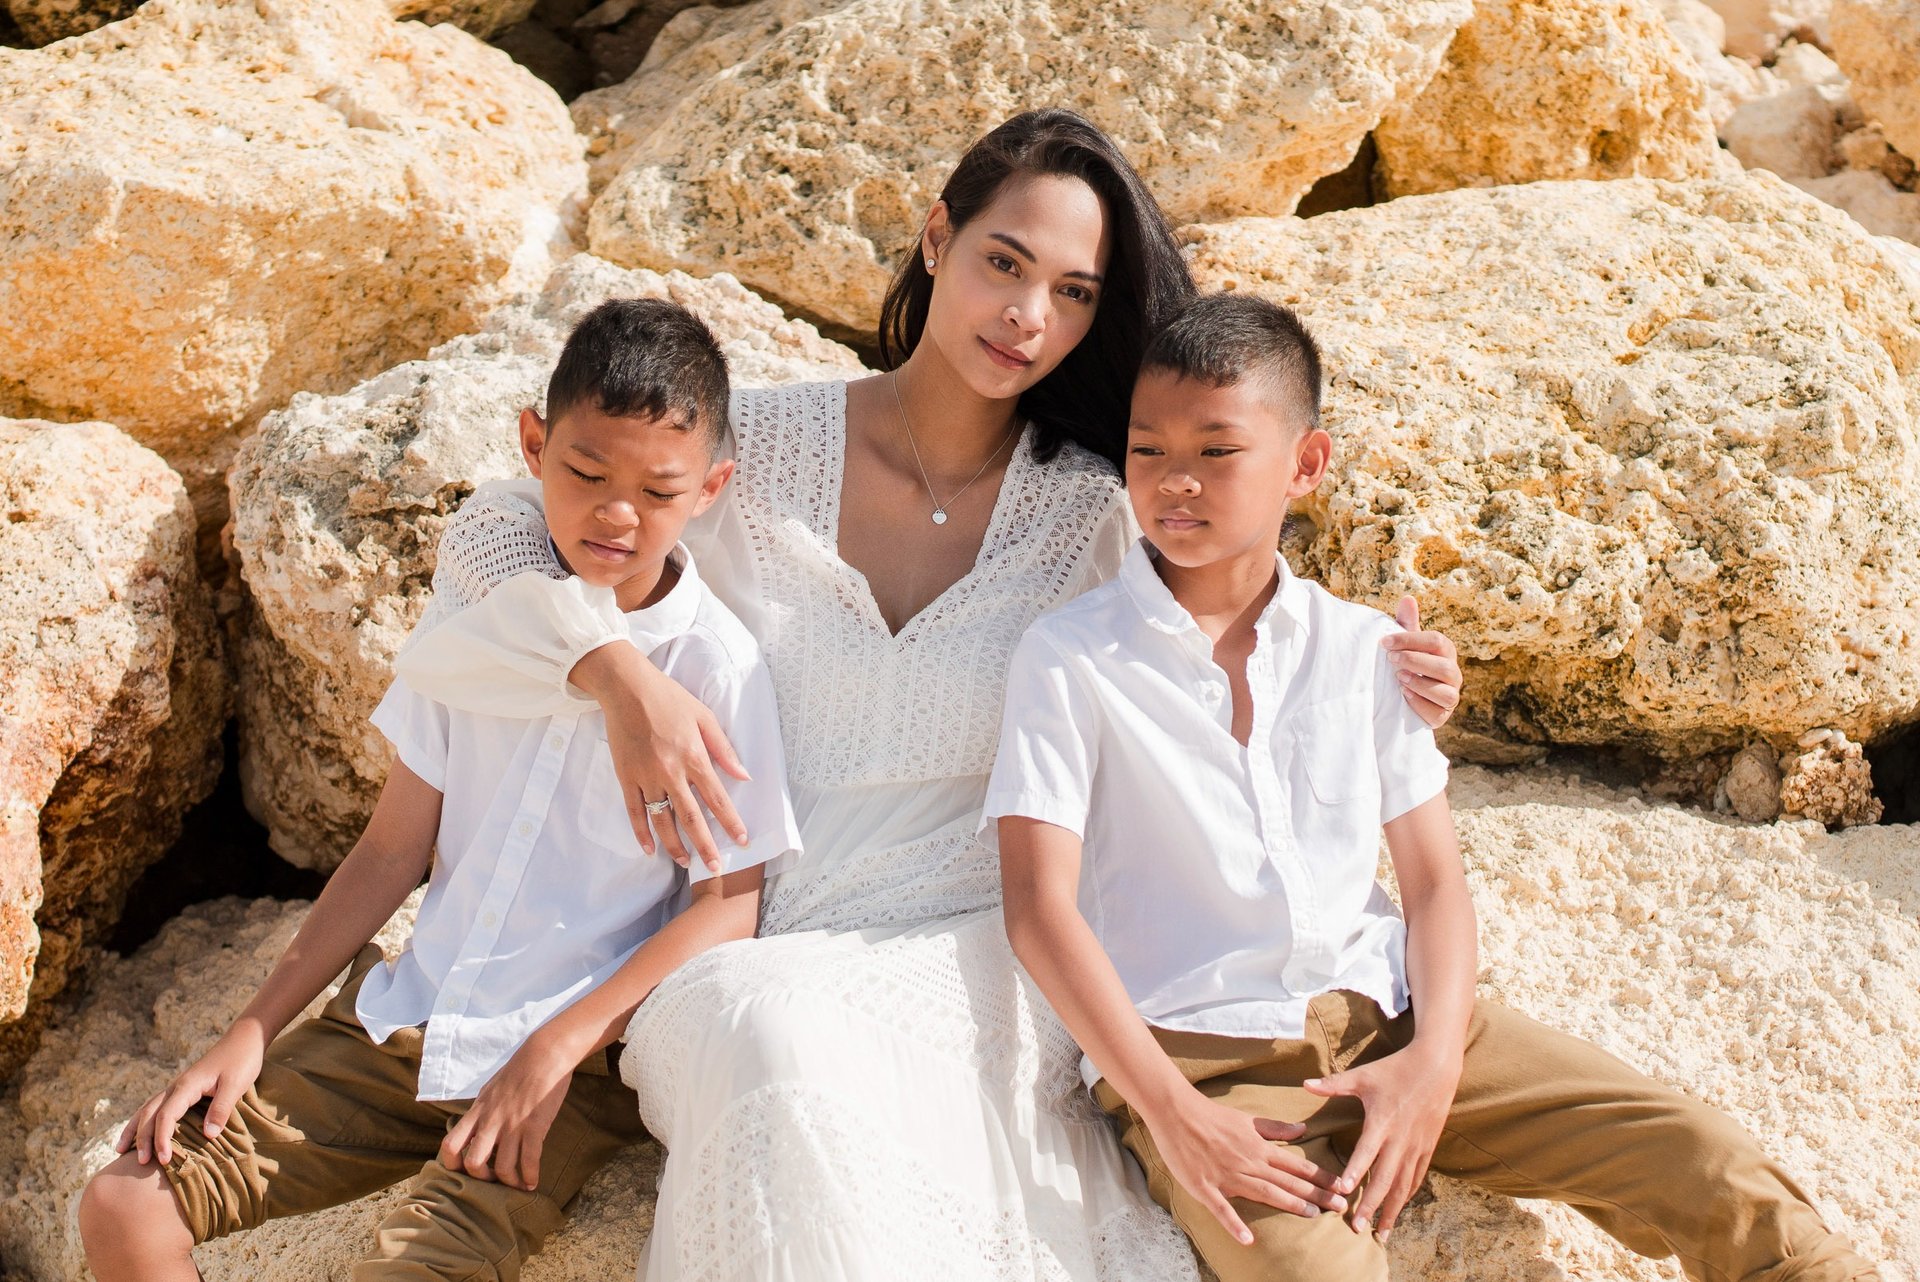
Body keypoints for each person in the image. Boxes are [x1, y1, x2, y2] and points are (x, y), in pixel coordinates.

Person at [399, 110, 1467, 1279]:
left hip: (981, 942)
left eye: (1071, 292)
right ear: (935, 240)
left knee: (796, 1048)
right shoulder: (753, 447)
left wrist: (1390, 664)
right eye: (1004, 264)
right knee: (765, 1037)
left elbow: (1229, 600)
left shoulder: (1094, 512)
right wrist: (613, 674)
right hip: (755, 927)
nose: (1025, 316)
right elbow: (495, 532)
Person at [988, 293, 1883, 1282]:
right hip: (1208, 1062)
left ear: (1306, 465)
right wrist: (1171, 1111)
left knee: (1707, 1158)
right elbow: (1038, 905)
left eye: (1218, 450)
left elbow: (1434, 885)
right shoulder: (1070, 657)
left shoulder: (1367, 649)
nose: (1175, 482)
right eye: (1148, 450)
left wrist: (1435, 1064)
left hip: (1398, 1016)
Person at [77, 299, 802, 1281]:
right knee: (126, 1201)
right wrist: (250, 1029)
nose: (616, 514)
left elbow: (729, 906)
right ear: (534, 443)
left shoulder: (716, 666)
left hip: (567, 1069)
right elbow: (389, 849)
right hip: (409, 1019)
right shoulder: (485, 617)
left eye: (657, 490)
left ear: (711, 488)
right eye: (585, 473)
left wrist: (559, 1045)